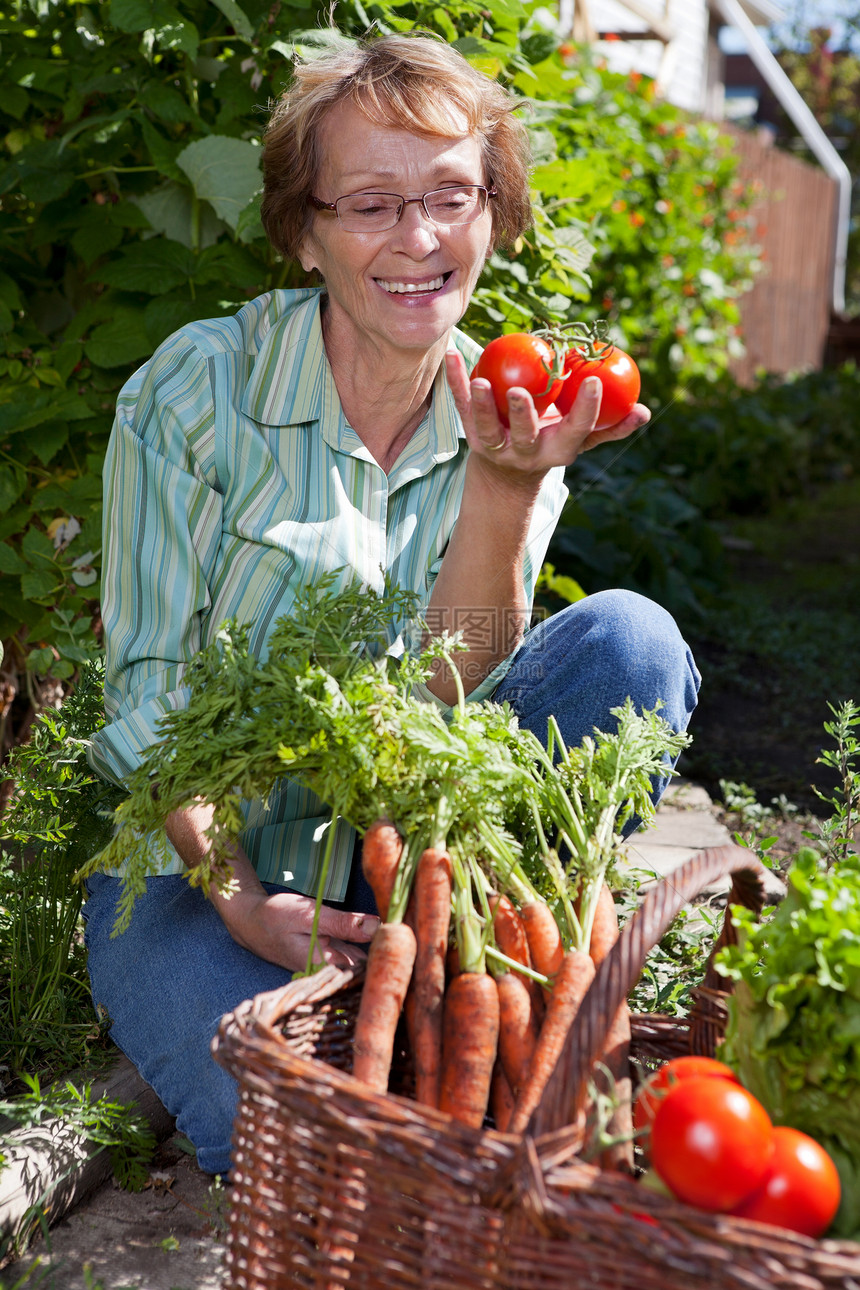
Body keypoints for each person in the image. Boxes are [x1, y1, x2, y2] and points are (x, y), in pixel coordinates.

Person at [83, 33, 700, 1177]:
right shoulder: (196, 388)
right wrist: (237, 899)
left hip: (416, 864)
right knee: (302, 1156)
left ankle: (492, 985)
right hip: (199, 872)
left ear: (492, 211)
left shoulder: (514, 401)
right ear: (305, 231)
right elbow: (153, 695)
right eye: (370, 204)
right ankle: (392, 1049)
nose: (418, 239)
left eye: (449, 196)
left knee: (629, 640)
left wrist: (505, 485)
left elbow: (448, 687)